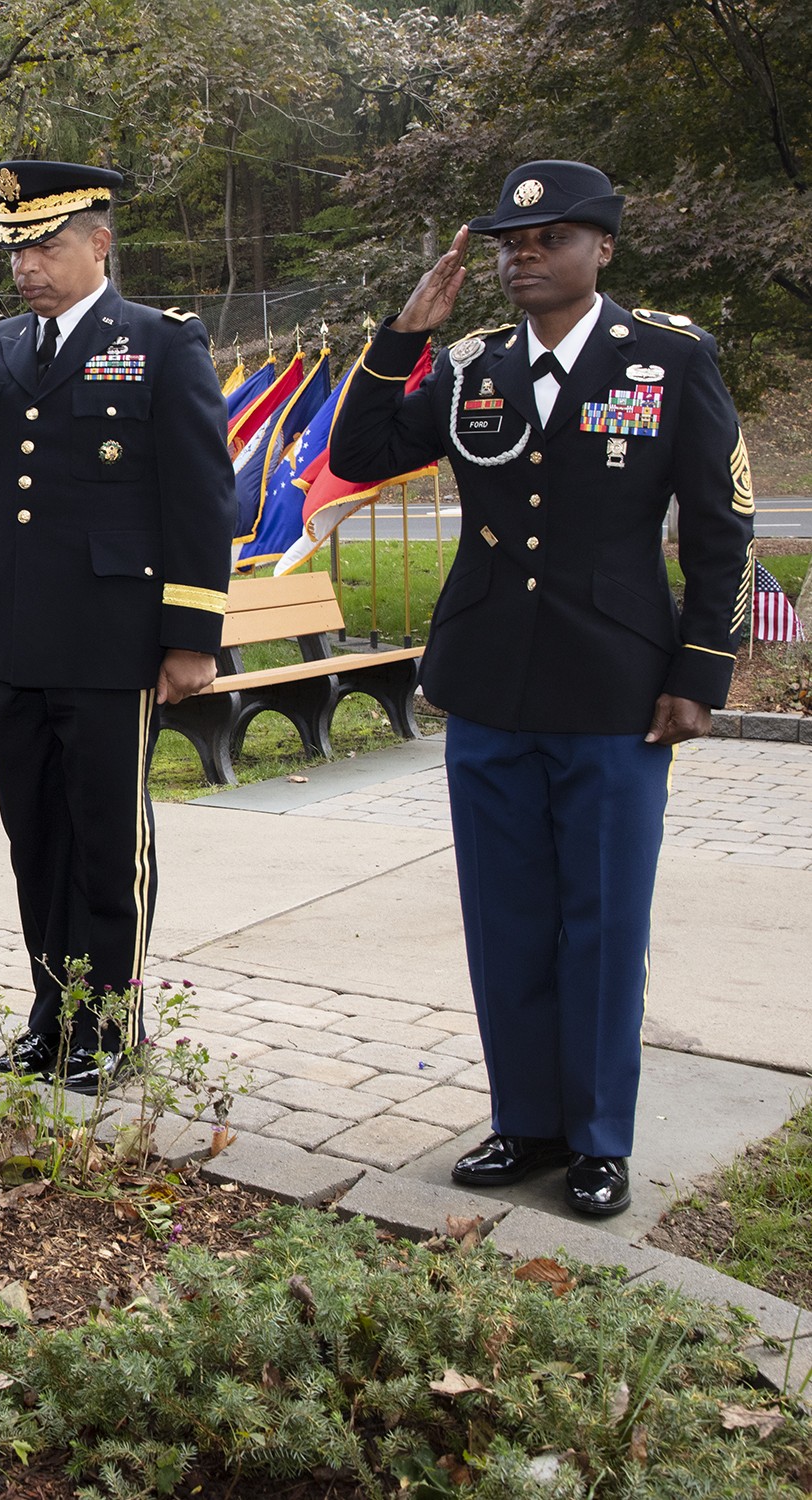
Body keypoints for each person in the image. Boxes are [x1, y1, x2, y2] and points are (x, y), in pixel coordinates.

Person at [328, 160, 754, 1218]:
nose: (524, 258)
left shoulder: (668, 357)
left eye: (548, 240)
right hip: (487, 685)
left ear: (601, 248)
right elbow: (359, 448)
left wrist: (701, 669)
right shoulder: (470, 367)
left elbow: (719, 525)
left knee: (602, 921)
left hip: (617, 687)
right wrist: (405, 338)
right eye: (511, 245)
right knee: (505, 916)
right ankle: (524, 1123)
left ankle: (600, 1137)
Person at [0, 159, 235, 1088]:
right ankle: (50, 1017)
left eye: (48, 244)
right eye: (19, 247)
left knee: (108, 843)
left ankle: (110, 1027)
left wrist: (192, 633)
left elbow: (200, 494)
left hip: (114, 637)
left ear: (99, 244)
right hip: (16, 628)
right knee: (34, 836)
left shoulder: (159, 342)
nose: (29, 263)